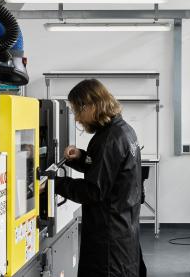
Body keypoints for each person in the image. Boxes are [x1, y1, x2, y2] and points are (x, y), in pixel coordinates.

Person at [56, 78, 146, 277]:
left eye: (77, 111)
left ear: (90, 106)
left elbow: (93, 191)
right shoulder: (123, 130)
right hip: (124, 229)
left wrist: (55, 183)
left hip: (108, 238)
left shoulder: (109, 140)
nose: (77, 119)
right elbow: (105, 171)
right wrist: (80, 156)